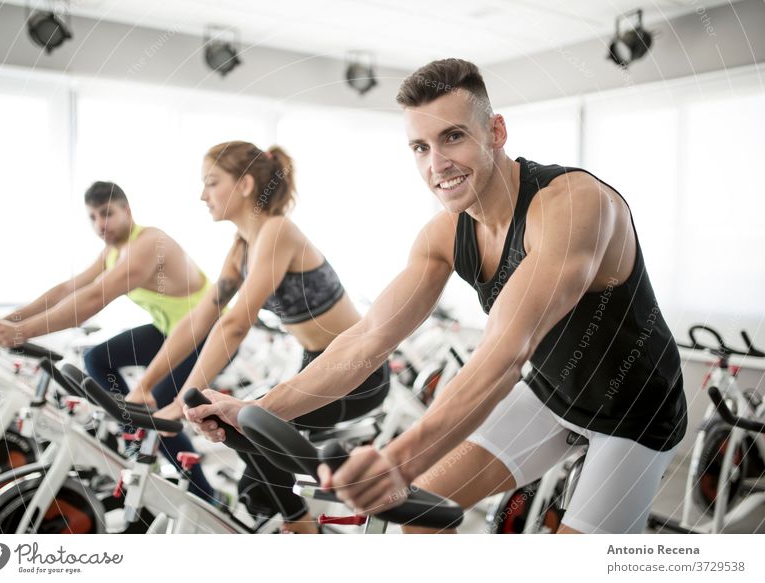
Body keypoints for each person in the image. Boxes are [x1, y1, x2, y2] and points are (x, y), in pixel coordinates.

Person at [185, 59, 688, 534]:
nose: (437, 163)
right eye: (420, 147)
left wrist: (397, 462)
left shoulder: (573, 205)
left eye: (452, 137)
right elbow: (366, 341)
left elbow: (505, 351)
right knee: (418, 514)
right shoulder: (443, 235)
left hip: (634, 411)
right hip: (552, 392)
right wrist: (260, 409)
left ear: (496, 132)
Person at [137, 141, 390, 533]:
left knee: (246, 430)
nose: (202, 194)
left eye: (212, 182)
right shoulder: (241, 249)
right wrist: (145, 386)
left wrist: (178, 402)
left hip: (358, 374)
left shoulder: (277, 230)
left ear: (245, 184)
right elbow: (199, 319)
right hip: (315, 366)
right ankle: (296, 522)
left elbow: (235, 322)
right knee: (255, 483)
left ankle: (305, 528)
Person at [0, 181, 216, 500]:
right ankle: (133, 434)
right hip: (168, 329)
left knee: (154, 413)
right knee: (98, 359)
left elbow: (91, 300)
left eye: (107, 214)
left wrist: (22, 332)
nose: (100, 224)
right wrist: (8, 321)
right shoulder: (112, 252)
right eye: (92, 217)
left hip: (208, 332)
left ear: (127, 211)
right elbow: (68, 290)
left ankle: (206, 493)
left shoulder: (150, 242)